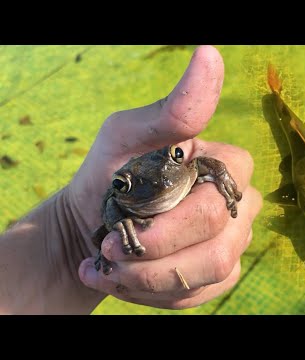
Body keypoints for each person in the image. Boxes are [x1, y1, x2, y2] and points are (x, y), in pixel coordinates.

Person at [0, 45, 262, 314]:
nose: (163, 181)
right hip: (120, 221)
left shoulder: (185, 169)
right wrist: (81, 236)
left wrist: (221, 177)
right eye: (121, 184)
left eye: (176, 154)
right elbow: (112, 205)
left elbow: (196, 164)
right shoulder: (120, 202)